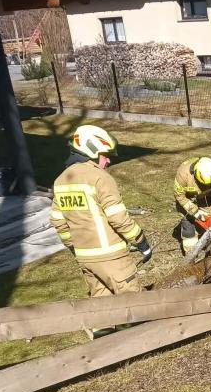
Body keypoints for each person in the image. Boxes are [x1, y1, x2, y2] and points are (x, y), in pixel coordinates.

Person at [50, 125, 152, 325]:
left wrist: (73, 247)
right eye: (105, 156)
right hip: (112, 257)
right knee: (134, 304)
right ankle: (141, 338)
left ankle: (105, 341)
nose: (108, 161)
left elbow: (58, 221)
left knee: (101, 309)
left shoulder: (61, 181)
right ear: (91, 152)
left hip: (85, 259)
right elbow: (118, 218)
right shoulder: (100, 178)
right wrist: (141, 241)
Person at [173, 156, 211, 254]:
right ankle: (190, 253)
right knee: (188, 223)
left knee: (210, 220)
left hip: (206, 196)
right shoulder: (183, 174)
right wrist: (194, 212)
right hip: (188, 199)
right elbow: (180, 196)